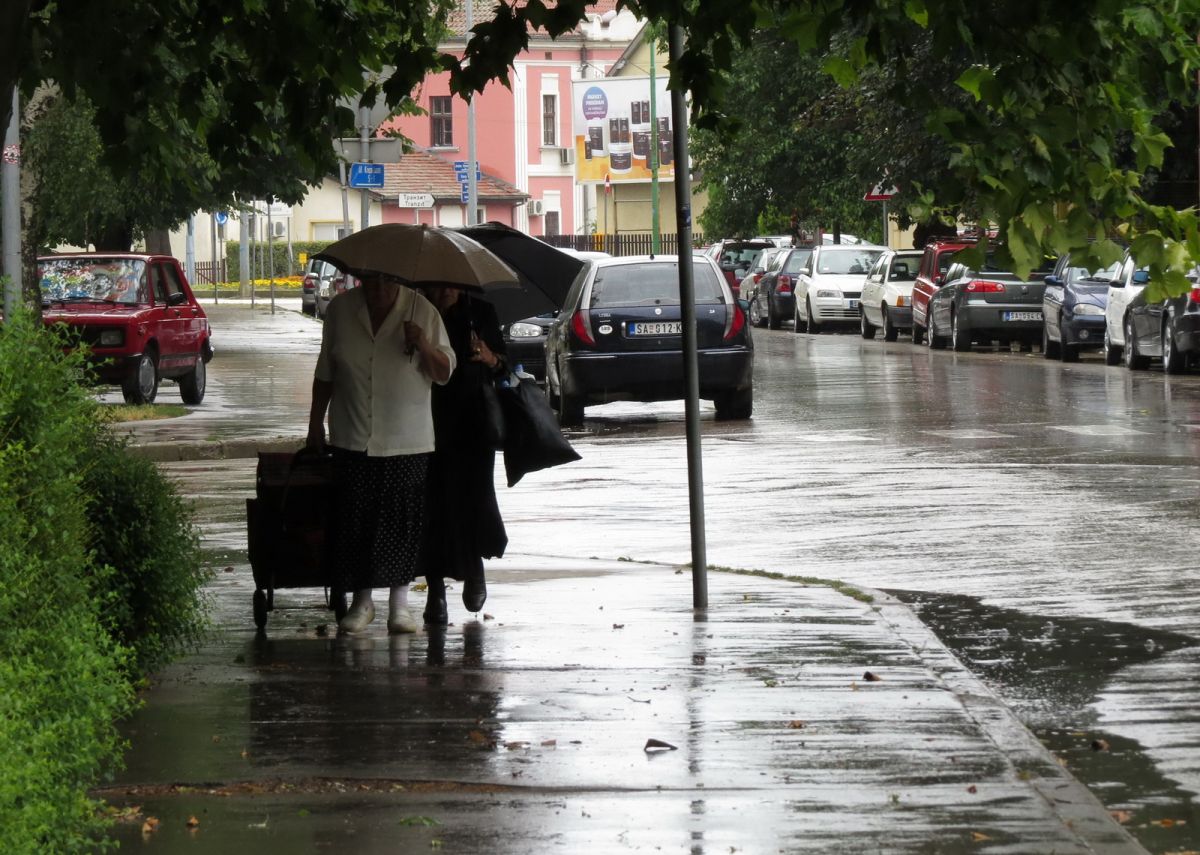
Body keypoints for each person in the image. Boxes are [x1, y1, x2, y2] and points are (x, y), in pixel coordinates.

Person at [306, 274, 455, 634]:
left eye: (386, 283)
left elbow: (444, 372)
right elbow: (326, 371)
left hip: (407, 439)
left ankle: (399, 607)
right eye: (371, 282)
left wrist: (422, 343)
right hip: (353, 433)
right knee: (356, 519)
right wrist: (314, 424)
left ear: (398, 281)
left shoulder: (423, 311)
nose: (378, 291)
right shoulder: (342, 310)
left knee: (401, 523)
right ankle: (362, 602)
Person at [421, 286, 509, 625]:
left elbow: (504, 365)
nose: (444, 291)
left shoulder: (480, 313)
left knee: (474, 498)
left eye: (451, 285)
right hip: (426, 420)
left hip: (473, 421)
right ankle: (435, 590)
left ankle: (474, 569)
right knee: (433, 504)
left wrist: (490, 357)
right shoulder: (418, 311)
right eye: (438, 284)